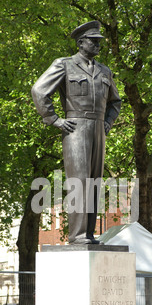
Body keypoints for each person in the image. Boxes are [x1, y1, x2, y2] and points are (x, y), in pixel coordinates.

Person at [31, 21, 121, 244]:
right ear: (81, 43)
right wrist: (54, 119)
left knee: (94, 181)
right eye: (94, 41)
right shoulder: (64, 65)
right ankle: (78, 234)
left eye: (99, 41)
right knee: (79, 180)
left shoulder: (104, 71)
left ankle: (88, 234)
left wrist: (108, 122)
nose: (98, 45)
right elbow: (39, 90)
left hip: (98, 127)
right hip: (76, 127)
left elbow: (115, 102)